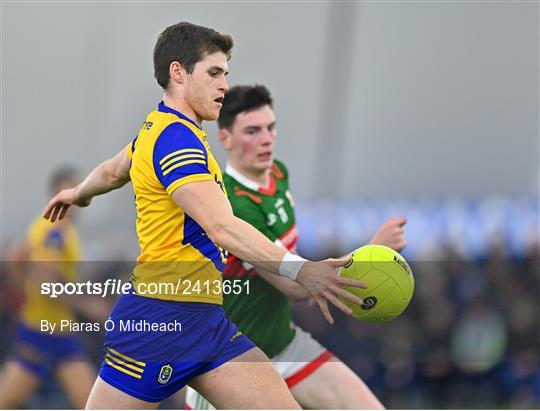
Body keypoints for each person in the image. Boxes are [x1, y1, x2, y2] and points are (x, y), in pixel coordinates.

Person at [42, 22, 367, 409]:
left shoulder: (158, 127)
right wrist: (300, 269)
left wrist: (78, 193)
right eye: (214, 73)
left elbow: (114, 170)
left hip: (206, 322)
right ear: (178, 72)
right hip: (158, 321)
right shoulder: (176, 140)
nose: (224, 85)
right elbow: (222, 226)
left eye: (225, 74)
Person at [185, 84, 407, 409]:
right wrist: (372, 251)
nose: (266, 139)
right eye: (252, 131)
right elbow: (296, 285)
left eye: (270, 128)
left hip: (281, 344)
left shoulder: (278, 174)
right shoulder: (232, 204)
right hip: (231, 361)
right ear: (226, 139)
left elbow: (295, 261)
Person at [0, 168, 96, 409]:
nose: (77, 198)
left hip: (58, 330)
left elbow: (15, 257)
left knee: (89, 401)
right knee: (8, 401)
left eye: (78, 190)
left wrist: (22, 292)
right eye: (71, 192)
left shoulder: (46, 224)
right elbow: (47, 287)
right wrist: (90, 306)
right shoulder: (55, 232)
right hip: (42, 331)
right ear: (56, 196)